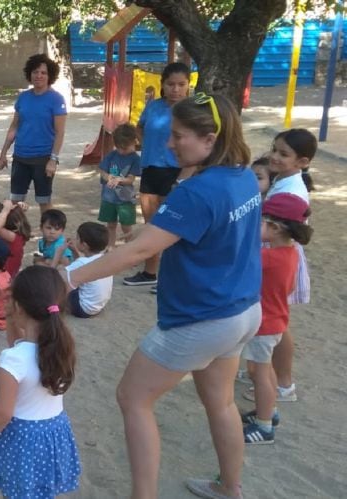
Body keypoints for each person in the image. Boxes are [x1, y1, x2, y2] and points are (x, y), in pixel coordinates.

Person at [67, 93, 260, 499]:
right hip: (241, 311)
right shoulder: (242, 175)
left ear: (209, 139)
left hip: (200, 319)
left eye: (178, 136)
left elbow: (137, 253)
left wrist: (70, 278)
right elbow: (201, 230)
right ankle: (231, 487)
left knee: (132, 397)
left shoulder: (197, 191)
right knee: (221, 402)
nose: (170, 144)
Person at [0, 266, 80, 499]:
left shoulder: (13, 359)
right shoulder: (63, 346)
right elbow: (18, 343)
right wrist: (14, 317)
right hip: (54, 432)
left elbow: (3, 412)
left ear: (18, 307)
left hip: (24, 439)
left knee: (18, 492)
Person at [239, 193, 311, 445]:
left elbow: (238, 261)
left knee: (260, 374)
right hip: (277, 318)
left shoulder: (267, 257)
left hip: (264, 323)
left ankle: (264, 426)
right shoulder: (291, 253)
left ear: (275, 228)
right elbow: (289, 288)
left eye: (260, 222)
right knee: (265, 370)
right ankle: (268, 411)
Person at [260, 128, 318, 404]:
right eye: (274, 149)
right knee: (273, 319)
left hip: (279, 257)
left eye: (284, 154)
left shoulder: (293, 190)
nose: (274, 157)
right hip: (274, 253)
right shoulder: (284, 179)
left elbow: (289, 228)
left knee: (277, 322)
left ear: (302, 162)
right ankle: (266, 371)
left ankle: (283, 383)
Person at [124, 62, 191, 287]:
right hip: (151, 169)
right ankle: (150, 273)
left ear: (188, 85)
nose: (176, 89)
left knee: (173, 227)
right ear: (162, 85)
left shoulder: (192, 111)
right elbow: (140, 127)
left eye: (181, 84)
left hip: (177, 172)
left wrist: (185, 175)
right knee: (152, 225)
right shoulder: (153, 107)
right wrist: (146, 144)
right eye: (171, 84)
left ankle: (173, 278)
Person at [0, 54, 68, 213]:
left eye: (43, 73)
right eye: (35, 72)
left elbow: (60, 132)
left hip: (43, 159)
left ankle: (49, 237)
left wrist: (53, 160)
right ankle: (15, 236)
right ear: (30, 74)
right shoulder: (23, 98)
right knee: (14, 201)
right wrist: (3, 154)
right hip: (20, 157)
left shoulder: (56, 99)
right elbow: (14, 127)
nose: (39, 76)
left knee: (44, 202)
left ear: (50, 75)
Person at [98, 123, 142, 248]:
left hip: (125, 199)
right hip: (109, 198)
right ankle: (110, 247)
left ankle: (130, 248)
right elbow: (102, 170)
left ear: (134, 142)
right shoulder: (112, 155)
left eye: (125, 148)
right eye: (119, 148)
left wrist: (119, 180)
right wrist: (108, 177)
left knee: (126, 226)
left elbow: (130, 179)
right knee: (110, 224)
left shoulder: (135, 159)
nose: (122, 151)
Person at [64, 223, 113, 318]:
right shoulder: (104, 258)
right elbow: (80, 269)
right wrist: (74, 251)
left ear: (84, 245)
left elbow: (60, 277)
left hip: (83, 309)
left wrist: (59, 251)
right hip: (97, 306)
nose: (75, 240)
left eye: (77, 238)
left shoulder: (82, 262)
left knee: (60, 280)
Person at [0, 200, 31, 278]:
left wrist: (6, 210)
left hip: (5, 273)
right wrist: (17, 208)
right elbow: (15, 216)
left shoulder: (13, 237)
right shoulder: (17, 233)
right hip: (10, 270)